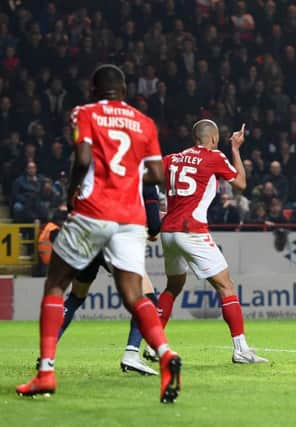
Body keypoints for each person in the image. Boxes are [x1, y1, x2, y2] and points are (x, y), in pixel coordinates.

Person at [16, 65, 181, 404]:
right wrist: (128, 178)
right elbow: (155, 173)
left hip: (94, 209)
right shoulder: (145, 122)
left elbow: (82, 157)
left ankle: (46, 371)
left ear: (94, 89)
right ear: (124, 89)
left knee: (56, 284)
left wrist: (71, 191)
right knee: (135, 296)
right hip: (131, 218)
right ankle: (165, 354)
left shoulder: (86, 112)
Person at [156, 119, 268, 364]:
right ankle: (241, 349)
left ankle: (154, 345)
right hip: (191, 230)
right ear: (214, 139)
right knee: (226, 286)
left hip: (168, 231)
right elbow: (240, 184)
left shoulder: (171, 159)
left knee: (173, 286)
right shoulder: (214, 157)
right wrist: (236, 149)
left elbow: (153, 182)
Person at [56, 184, 164, 376]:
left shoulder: (98, 172)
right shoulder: (143, 176)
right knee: (146, 299)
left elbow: (72, 204)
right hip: (113, 241)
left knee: (75, 297)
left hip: (85, 238)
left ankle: (46, 354)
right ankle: (131, 354)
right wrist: (152, 229)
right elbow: (154, 227)